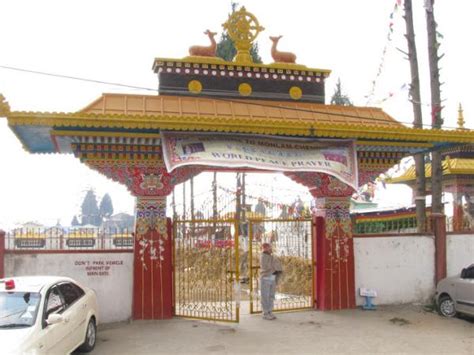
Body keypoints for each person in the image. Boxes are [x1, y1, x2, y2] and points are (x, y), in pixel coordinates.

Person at [260, 242, 282, 320]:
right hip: (265, 278)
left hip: (272, 278)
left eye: (270, 247)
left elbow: (277, 264)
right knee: (265, 296)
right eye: (269, 247)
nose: (271, 249)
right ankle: (265, 313)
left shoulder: (272, 256)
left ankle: (270, 311)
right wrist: (274, 268)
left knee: (271, 296)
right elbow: (266, 267)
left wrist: (277, 269)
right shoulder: (263, 256)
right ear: (265, 248)